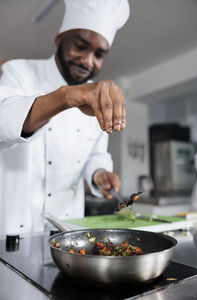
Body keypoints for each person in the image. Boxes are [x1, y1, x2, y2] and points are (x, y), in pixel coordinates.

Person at [0, 0, 130, 235]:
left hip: (68, 231)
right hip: (13, 227)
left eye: (99, 55)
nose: (88, 61)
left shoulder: (99, 96)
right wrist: (65, 97)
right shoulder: (20, 72)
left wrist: (99, 173)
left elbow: (97, 154)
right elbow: (3, 121)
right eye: (80, 46)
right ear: (59, 39)